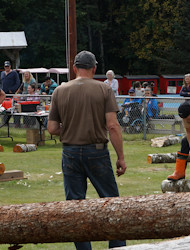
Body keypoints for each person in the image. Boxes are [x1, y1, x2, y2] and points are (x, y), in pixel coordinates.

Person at [47, 50, 127, 250]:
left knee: (75, 207)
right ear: (94, 68)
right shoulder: (104, 89)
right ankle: (116, 247)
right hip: (97, 151)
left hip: (70, 153)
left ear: (74, 68)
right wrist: (121, 158)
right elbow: (112, 126)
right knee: (112, 204)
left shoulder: (60, 90)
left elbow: (52, 128)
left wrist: (71, 128)